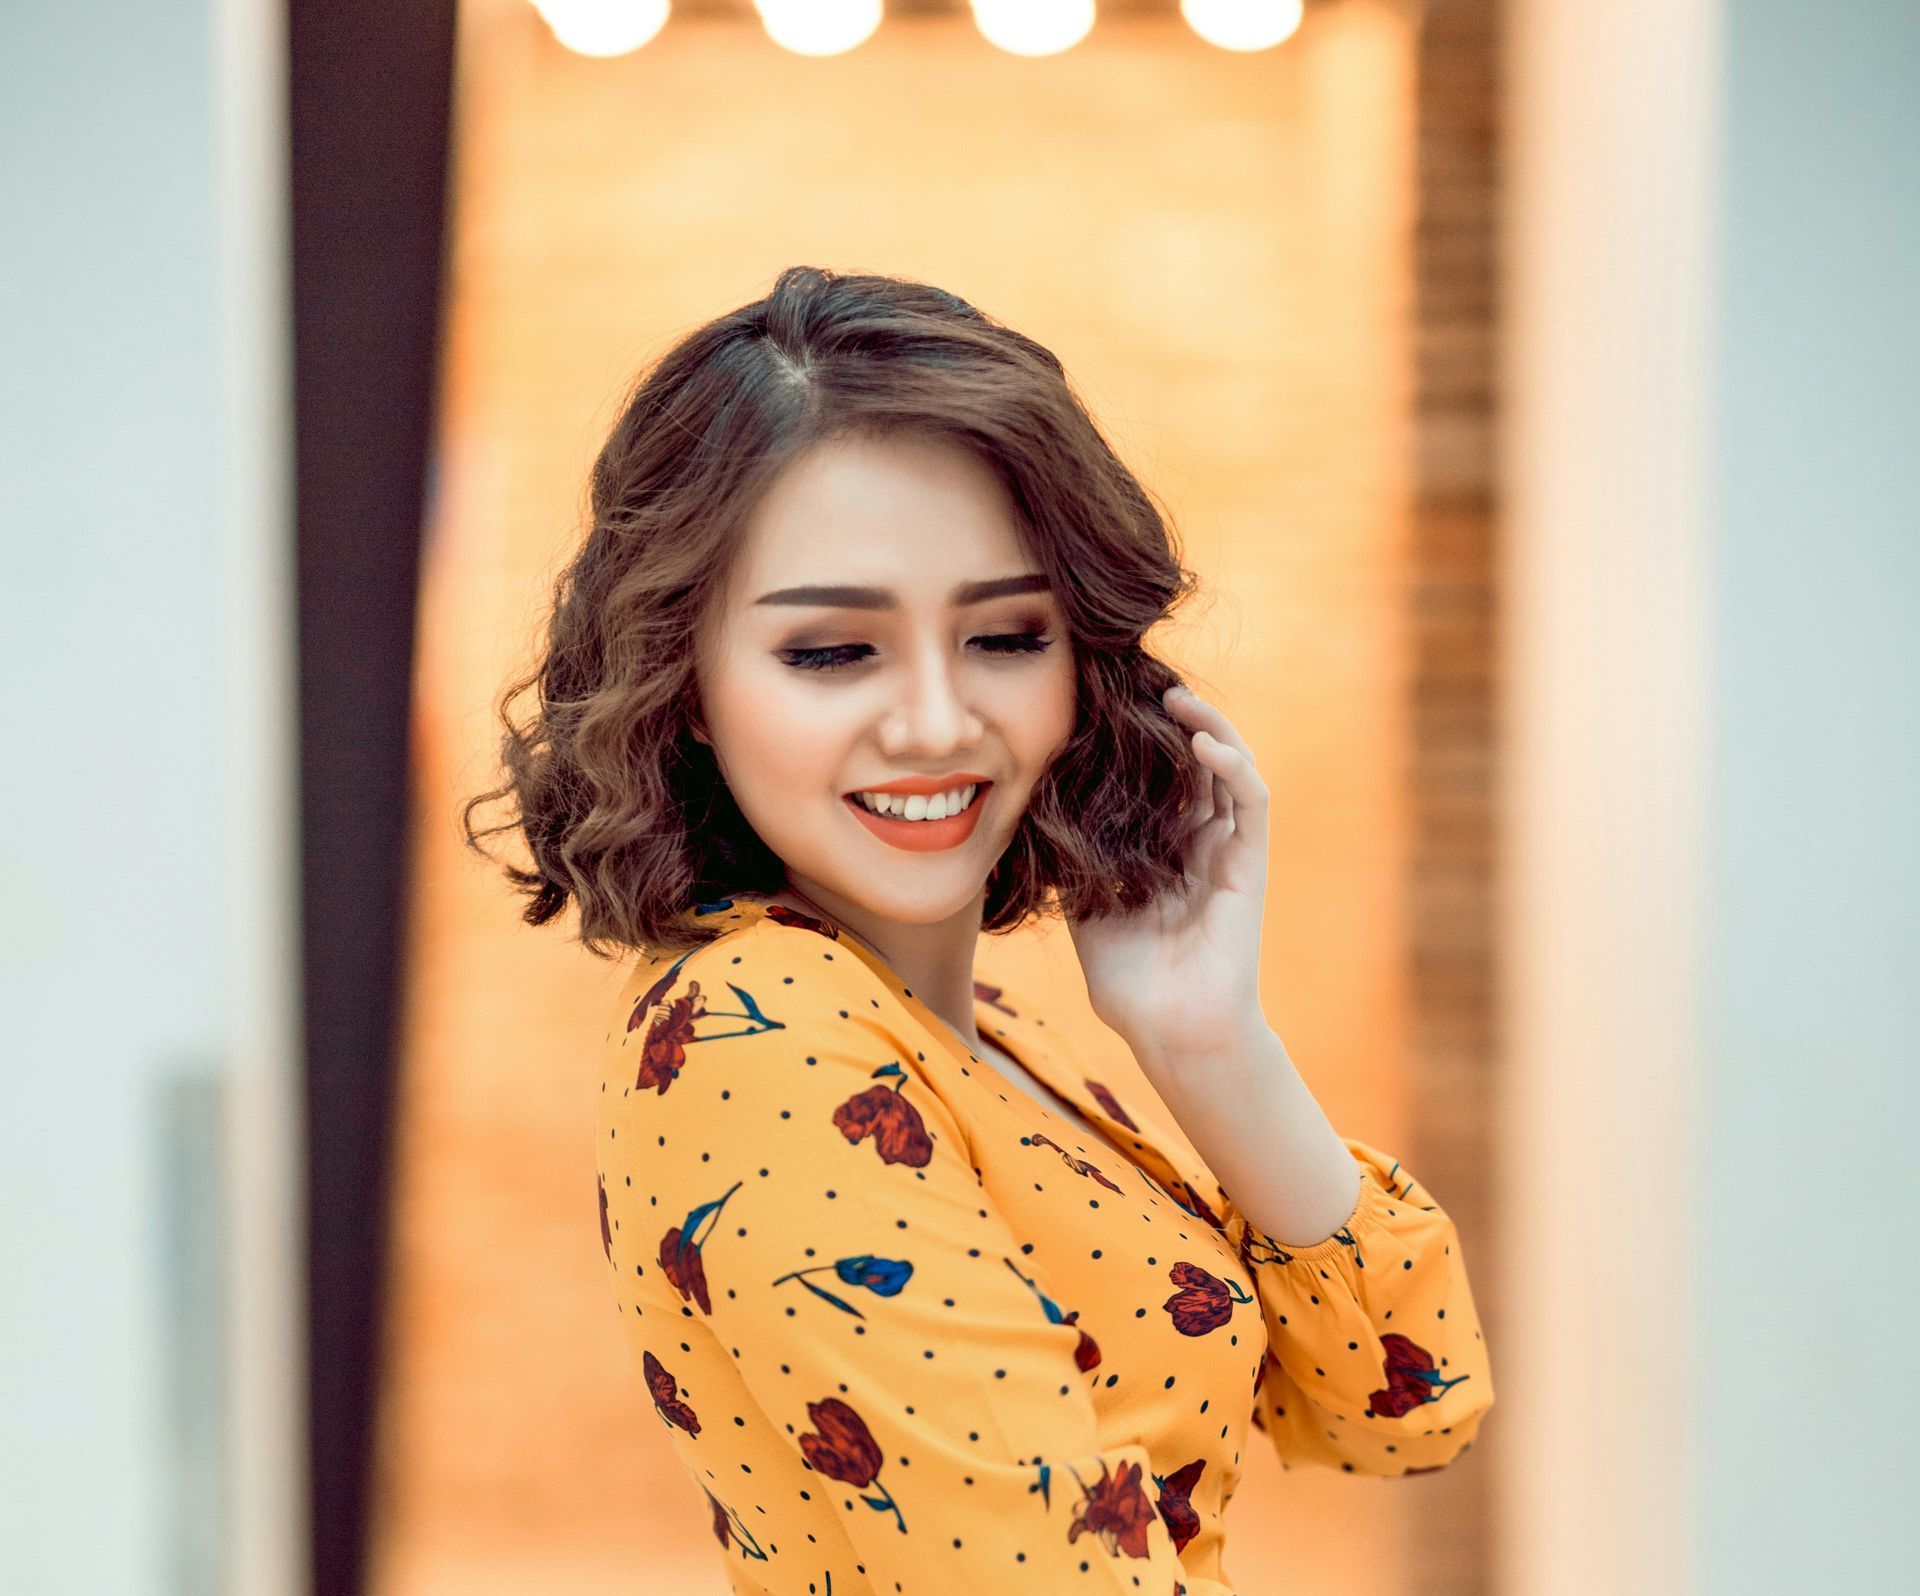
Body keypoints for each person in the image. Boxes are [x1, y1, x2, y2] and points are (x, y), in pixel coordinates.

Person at [465, 265, 1494, 1595]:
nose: (941, 722)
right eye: (834, 653)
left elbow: (1404, 1402)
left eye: (1006, 635)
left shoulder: (965, 1039)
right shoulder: (763, 1041)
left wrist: (1208, 1042)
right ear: (690, 684)